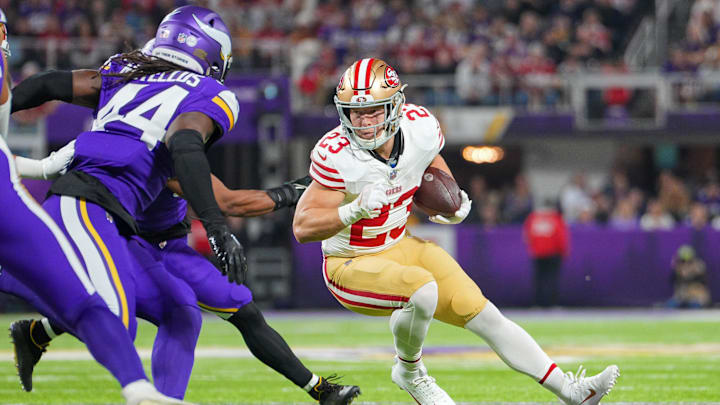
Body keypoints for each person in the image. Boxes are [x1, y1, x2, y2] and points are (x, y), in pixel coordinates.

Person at [5, 18, 360, 405]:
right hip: (111, 220)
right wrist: (255, 210)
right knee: (109, 311)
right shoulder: (190, 110)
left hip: (146, 235)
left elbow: (49, 84)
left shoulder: (124, 79)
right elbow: (204, 171)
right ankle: (129, 385)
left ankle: (311, 391)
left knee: (183, 314)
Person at [293, 58, 620, 404]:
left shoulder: (418, 128)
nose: (364, 122)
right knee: (422, 290)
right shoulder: (337, 154)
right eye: (355, 113)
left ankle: (569, 390)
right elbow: (302, 227)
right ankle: (411, 372)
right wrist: (352, 209)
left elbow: (429, 163)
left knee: (482, 312)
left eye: (373, 110)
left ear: (395, 105)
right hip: (350, 262)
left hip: (398, 243)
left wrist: (451, 198)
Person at [0, 8, 189, 405]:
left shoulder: (121, 119)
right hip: (87, 206)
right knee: (96, 301)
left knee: (90, 299)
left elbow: (48, 152)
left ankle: (138, 390)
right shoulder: (166, 108)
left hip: (92, 211)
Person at [523, 200, 569, 307]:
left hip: (538, 254)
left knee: (539, 279)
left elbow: (527, 236)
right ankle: (552, 303)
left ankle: (538, 303)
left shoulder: (533, 218)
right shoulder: (555, 218)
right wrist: (563, 251)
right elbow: (561, 237)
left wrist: (533, 248)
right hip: (553, 254)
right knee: (552, 279)